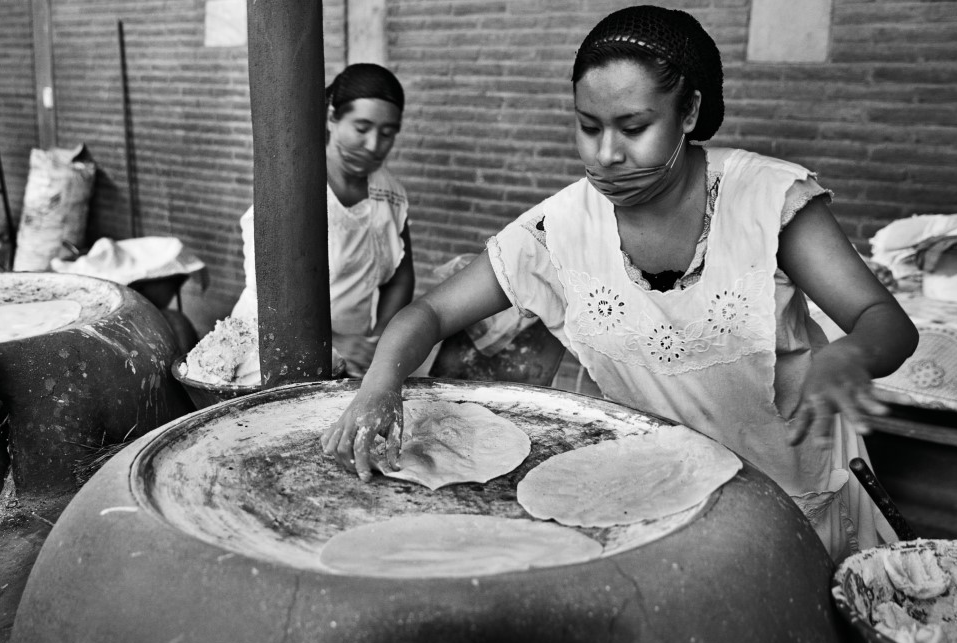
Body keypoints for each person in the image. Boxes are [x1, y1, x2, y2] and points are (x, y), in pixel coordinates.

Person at [320, 5, 919, 563]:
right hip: (662, 496)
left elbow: (885, 321)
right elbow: (427, 315)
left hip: (797, 489)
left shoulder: (765, 200)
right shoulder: (561, 229)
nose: (606, 154)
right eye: (588, 127)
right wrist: (380, 386)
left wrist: (849, 356)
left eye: (633, 127)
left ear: (688, 113)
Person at [231, 63, 415, 377]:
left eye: (387, 134)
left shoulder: (389, 193)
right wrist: (336, 341)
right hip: (268, 352)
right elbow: (271, 302)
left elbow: (400, 275)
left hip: (350, 360)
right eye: (361, 128)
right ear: (332, 116)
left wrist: (381, 339)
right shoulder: (294, 188)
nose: (374, 146)